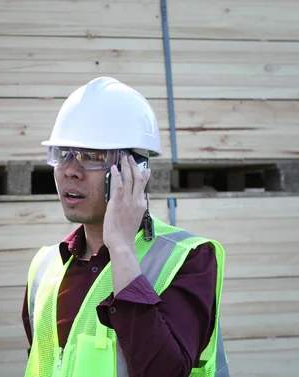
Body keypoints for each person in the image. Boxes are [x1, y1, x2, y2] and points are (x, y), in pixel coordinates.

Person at [21, 77, 229, 377]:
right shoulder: (45, 268)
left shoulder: (188, 260)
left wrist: (120, 248)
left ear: (136, 171)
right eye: (62, 153)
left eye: (90, 156)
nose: (70, 170)